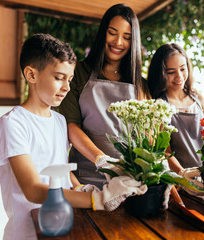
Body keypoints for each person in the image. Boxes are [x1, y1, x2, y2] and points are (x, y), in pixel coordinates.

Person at [0, 33, 147, 240]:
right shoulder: (13, 124)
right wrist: (97, 199)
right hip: (28, 233)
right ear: (31, 75)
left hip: (63, 227)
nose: (66, 87)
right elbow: (33, 190)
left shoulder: (58, 121)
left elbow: (60, 168)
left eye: (70, 79)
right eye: (58, 78)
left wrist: (80, 187)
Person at [59, 3, 149, 189]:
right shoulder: (79, 73)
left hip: (128, 181)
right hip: (85, 178)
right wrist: (103, 161)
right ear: (103, 33)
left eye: (127, 37)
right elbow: (71, 126)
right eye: (112, 32)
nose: (118, 42)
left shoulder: (140, 84)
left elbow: (145, 136)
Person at [147, 43, 204, 192]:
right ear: (160, 73)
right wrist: (183, 177)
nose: (179, 77)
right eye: (171, 72)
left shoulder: (198, 99)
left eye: (182, 69)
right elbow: (165, 152)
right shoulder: (159, 106)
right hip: (178, 184)